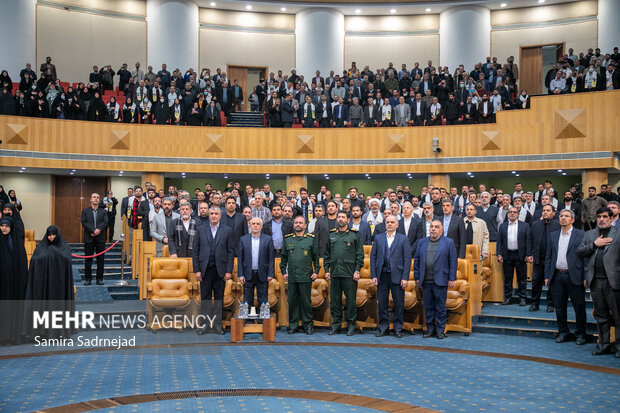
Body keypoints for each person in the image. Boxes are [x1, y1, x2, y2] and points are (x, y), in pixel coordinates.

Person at [577, 207, 620, 357]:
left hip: (614, 281)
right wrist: (595, 244)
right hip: (595, 281)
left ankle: (619, 347)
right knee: (601, 316)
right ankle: (603, 345)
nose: (601, 219)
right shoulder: (590, 234)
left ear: (611, 218)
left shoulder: (618, 233)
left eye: (604, 217)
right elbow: (580, 251)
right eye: (598, 217)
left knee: (618, 316)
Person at [23, 226, 76, 340]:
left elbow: (66, 261)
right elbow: (35, 261)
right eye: (49, 235)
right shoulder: (41, 247)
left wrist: (53, 252)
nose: (51, 237)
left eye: (53, 235)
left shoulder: (64, 247)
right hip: (43, 285)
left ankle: (59, 333)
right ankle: (42, 333)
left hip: (59, 285)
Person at [544, 209, 587, 345]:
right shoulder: (553, 235)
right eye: (561, 216)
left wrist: (585, 276)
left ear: (572, 220)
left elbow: (585, 257)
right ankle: (563, 332)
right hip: (557, 276)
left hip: (574, 276)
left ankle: (580, 334)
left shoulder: (581, 235)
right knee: (559, 307)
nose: (563, 218)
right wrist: (547, 275)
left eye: (566, 216)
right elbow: (549, 257)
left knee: (579, 307)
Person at [193, 207, 235, 334]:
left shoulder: (227, 230)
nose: (214, 216)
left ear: (220, 216)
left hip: (220, 270)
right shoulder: (200, 230)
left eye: (216, 214)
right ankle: (204, 325)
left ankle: (217, 325)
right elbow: (195, 251)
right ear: (208, 215)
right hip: (205, 270)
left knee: (218, 298)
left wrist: (228, 271)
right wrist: (197, 270)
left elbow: (230, 252)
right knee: (205, 298)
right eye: (211, 213)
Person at [414, 219, 457, 339]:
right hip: (425, 280)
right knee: (428, 306)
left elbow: (453, 261)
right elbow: (417, 261)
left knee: (440, 307)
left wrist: (451, 278)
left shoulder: (448, 242)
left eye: (436, 227)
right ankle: (430, 329)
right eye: (432, 226)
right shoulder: (422, 242)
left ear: (442, 230)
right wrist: (417, 277)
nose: (433, 229)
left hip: (441, 280)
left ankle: (440, 330)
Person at [324, 211, 364, 336]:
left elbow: (360, 255)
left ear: (348, 219)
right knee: (335, 302)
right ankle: (336, 325)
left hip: (350, 274)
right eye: (339, 217)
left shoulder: (354, 235)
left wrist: (357, 270)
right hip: (335, 273)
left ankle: (351, 325)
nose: (340, 219)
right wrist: (326, 270)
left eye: (343, 217)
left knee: (351, 301)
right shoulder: (331, 235)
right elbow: (326, 255)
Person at [371, 215, 411, 338]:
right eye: (387, 222)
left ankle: (398, 328)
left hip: (397, 275)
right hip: (382, 275)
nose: (389, 224)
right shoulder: (378, 238)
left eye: (392, 222)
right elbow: (373, 258)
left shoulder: (403, 239)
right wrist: (374, 275)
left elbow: (407, 260)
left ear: (397, 225)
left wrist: (405, 277)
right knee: (382, 303)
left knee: (398, 303)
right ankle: (383, 327)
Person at [281, 215, 320, 335]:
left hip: (305, 275)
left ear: (305, 225)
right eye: (296, 222)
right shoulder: (288, 239)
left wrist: (316, 272)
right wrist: (284, 272)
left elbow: (316, 258)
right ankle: (293, 325)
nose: (298, 224)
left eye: (300, 223)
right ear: (293, 225)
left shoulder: (310, 239)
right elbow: (283, 259)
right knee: (292, 302)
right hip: (292, 275)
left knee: (306, 302)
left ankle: (308, 325)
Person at [0, 217, 28, 344]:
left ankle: (12, 337)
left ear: (11, 227)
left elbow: (22, 263)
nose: (4, 228)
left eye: (6, 226)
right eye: (2, 226)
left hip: (14, 284)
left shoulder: (16, 242)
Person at [496, 206, 532, 305]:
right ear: (507, 214)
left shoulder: (525, 225)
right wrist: (499, 253)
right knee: (508, 278)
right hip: (507, 255)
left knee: (522, 278)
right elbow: (499, 241)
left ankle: (522, 298)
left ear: (517, 214)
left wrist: (528, 254)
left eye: (514, 212)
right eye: (510, 212)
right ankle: (508, 298)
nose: (512, 213)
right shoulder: (503, 226)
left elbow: (528, 241)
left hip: (520, 255)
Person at [237, 217, 274, 313]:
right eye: (253, 223)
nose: (255, 225)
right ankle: (248, 320)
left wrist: (270, 274)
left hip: (262, 274)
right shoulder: (243, 239)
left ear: (261, 226)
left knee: (263, 299)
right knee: (247, 299)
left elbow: (271, 258)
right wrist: (240, 274)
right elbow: (240, 258)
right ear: (250, 225)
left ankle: (262, 320)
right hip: (247, 273)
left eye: (258, 224)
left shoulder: (268, 239)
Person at [529, 205, 561, 312]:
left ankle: (550, 304)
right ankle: (534, 303)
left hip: (553, 260)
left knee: (551, 283)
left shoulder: (558, 225)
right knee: (536, 282)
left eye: (548, 210)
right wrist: (529, 254)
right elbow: (530, 239)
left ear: (553, 213)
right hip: (538, 259)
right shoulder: (535, 224)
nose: (545, 212)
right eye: (544, 210)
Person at [80, 193, 108, 285]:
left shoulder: (103, 211)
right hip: (89, 237)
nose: (96, 199)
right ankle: (88, 279)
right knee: (88, 259)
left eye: (97, 197)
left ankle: (99, 279)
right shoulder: (85, 211)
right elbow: (84, 222)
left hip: (101, 238)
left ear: (99, 200)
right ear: (90, 199)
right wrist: (92, 230)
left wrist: (98, 229)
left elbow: (105, 222)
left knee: (101, 259)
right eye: (94, 197)